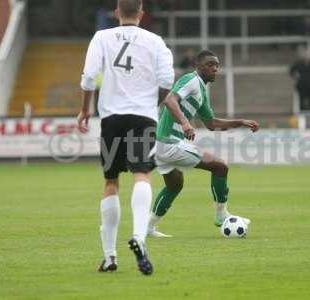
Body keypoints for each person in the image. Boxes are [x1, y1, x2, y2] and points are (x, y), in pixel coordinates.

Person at [77, 0, 193, 276]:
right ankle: (139, 237)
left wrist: (84, 109)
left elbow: (89, 77)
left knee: (111, 182)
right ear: (142, 13)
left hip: (111, 118)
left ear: (117, 13)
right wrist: (148, 105)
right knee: (142, 174)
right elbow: (167, 81)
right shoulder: (156, 42)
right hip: (142, 118)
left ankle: (109, 257)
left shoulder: (101, 37)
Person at [147, 50, 259, 238]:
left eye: (216, 65)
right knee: (220, 166)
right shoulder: (190, 80)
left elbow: (211, 123)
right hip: (169, 142)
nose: (215, 68)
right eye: (209, 64)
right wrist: (185, 123)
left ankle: (147, 227)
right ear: (198, 66)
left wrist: (239, 122)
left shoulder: (201, 91)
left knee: (175, 185)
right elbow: (169, 99)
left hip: (160, 144)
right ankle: (221, 215)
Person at [290, 46, 310, 111]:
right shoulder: (299, 63)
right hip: (301, 84)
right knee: (302, 97)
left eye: (308, 56)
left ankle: (309, 108)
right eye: (306, 56)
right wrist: (295, 75)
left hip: (309, 84)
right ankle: (301, 109)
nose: (307, 57)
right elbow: (291, 70)